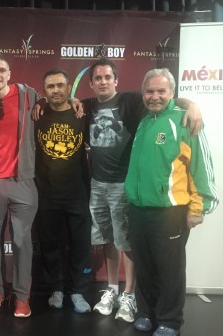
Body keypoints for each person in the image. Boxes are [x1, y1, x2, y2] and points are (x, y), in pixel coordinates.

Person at [83, 58, 202, 323]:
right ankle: (113, 291)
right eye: (98, 78)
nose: (103, 81)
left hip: (128, 188)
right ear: (91, 83)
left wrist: (192, 105)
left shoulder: (134, 102)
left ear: (116, 80)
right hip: (102, 187)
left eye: (107, 77)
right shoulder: (89, 106)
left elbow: (165, 98)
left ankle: (131, 296)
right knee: (111, 241)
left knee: (130, 245)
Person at [125, 68, 218, 336]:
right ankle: (145, 313)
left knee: (170, 271)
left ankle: (169, 321)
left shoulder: (185, 121)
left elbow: (201, 167)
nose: (155, 96)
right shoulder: (144, 121)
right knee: (144, 266)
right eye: (150, 91)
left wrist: (199, 207)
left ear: (172, 93)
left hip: (171, 211)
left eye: (161, 91)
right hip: (139, 209)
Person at [0, 52, 40, 318]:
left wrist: (71, 101)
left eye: (2, 70)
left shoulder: (28, 95)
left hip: (22, 180)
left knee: (23, 241)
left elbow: (57, 99)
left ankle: (22, 296)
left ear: (10, 74)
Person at [34, 69, 92, 314]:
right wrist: (37, 102)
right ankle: (56, 288)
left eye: (60, 85)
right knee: (50, 245)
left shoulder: (83, 114)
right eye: (50, 86)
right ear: (44, 91)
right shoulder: (36, 114)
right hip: (46, 193)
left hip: (78, 192)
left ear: (69, 88)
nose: (55, 90)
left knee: (80, 245)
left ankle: (78, 291)